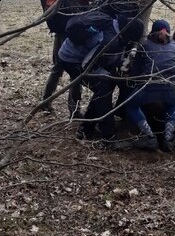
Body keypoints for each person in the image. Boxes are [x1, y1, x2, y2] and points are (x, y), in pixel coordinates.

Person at [58, 11, 144, 148]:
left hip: (86, 58)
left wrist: (121, 66)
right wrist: (106, 74)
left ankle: (86, 128)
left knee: (106, 85)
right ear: (128, 34)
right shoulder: (108, 38)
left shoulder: (120, 30)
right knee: (103, 88)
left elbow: (113, 55)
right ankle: (108, 137)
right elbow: (88, 65)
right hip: (71, 59)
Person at [41, 0, 109, 117]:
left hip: (60, 32)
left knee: (57, 68)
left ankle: (45, 101)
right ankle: (75, 111)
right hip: (72, 35)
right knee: (75, 72)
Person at [124, 20, 175, 152]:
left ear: (152, 31)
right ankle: (168, 137)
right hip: (172, 87)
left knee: (131, 104)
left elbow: (135, 73)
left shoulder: (144, 45)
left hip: (150, 87)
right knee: (172, 104)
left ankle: (150, 137)